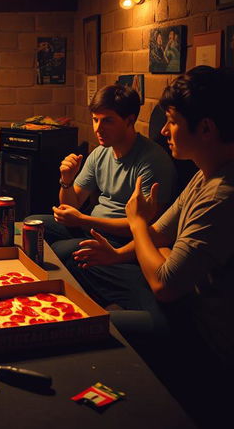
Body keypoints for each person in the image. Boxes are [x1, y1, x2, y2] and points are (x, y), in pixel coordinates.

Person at [72, 66, 234, 361]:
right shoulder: (204, 175)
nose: (163, 131)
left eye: (172, 122)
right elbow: (159, 232)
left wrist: (135, 223)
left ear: (207, 129)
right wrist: (116, 255)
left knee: (87, 328)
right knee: (87, 261)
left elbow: (164, 285)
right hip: (178, 296)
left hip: (204, 331)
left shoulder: (222, 196)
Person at [26, 84, 177, 266]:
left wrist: (83, 220)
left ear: (130, 121)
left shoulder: (152, 161)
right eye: (95, 120)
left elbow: (143, 228)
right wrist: (66, 180)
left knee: (61, 250)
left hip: (121, 240)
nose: (98, 128)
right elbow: (69, 206)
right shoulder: (100, 153)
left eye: (107, 121)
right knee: (32, 225)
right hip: (91, 227)